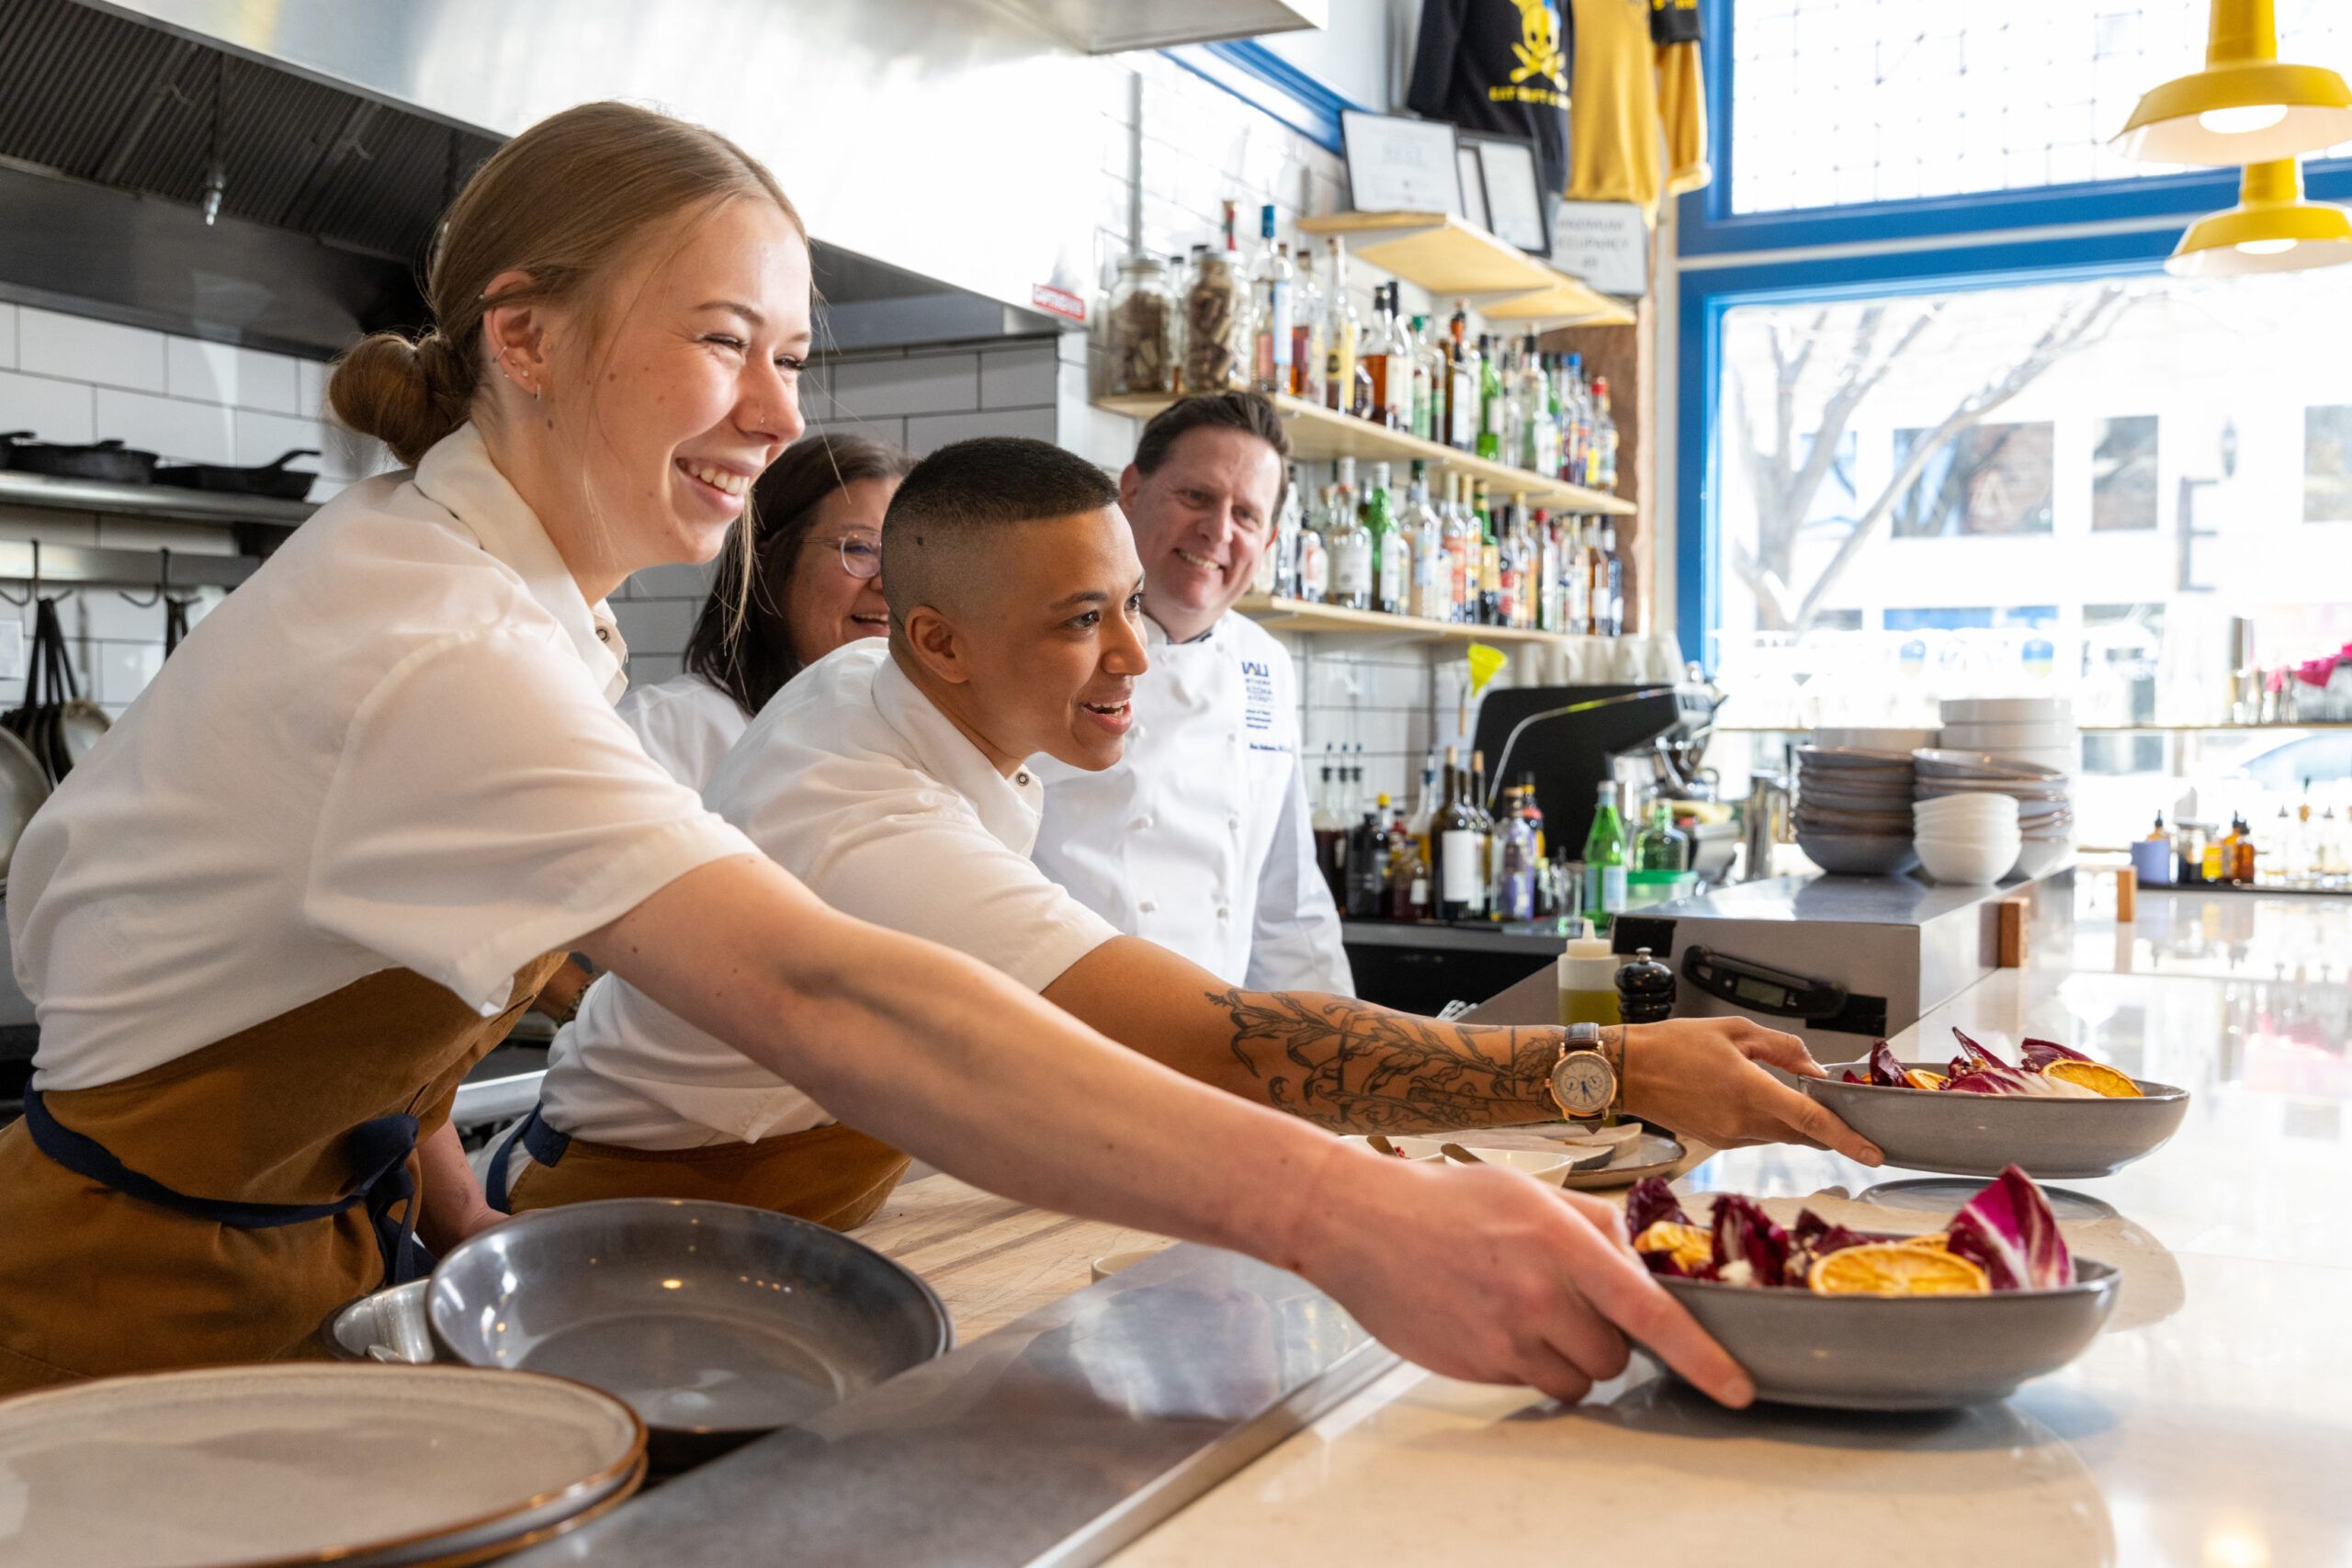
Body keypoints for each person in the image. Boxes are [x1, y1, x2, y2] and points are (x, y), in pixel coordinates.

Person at [0, 100, 1765, 1411]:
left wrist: (451, 1219)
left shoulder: (512, 604)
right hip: (120, 1313)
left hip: (298, 1267)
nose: (775, 418)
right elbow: (851, 1005)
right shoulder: (440, 644)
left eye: (788, 355)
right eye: (719, 343)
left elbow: (375, 1007)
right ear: (524, 340)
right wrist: (1359, 1217)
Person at [501, 437, 1882, 1354]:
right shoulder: (863, 814)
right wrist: (1614, 1064)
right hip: (652, 1228)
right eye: (1077, 622)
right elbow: (1225, 1039)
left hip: (833, 1190)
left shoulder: (897, 690)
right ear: (938, 640)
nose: (1136, 661)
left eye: (1125, 608)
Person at [1033, 393, 1350, 994]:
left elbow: (1287, 900)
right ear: (1131, 490)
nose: (1217, 530)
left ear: (1270, 538)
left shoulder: (1266, 664)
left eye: (1246, 515)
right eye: (1196, 497)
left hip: (1217, 1041)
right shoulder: (1042, 641)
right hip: (1071, 1027)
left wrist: (1347, 1061)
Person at [619, 433, 910, 790]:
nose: (890, 583)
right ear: (768, 560)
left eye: (909, 555)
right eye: (861, 549)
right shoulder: (659, 734)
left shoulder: (924, 742)